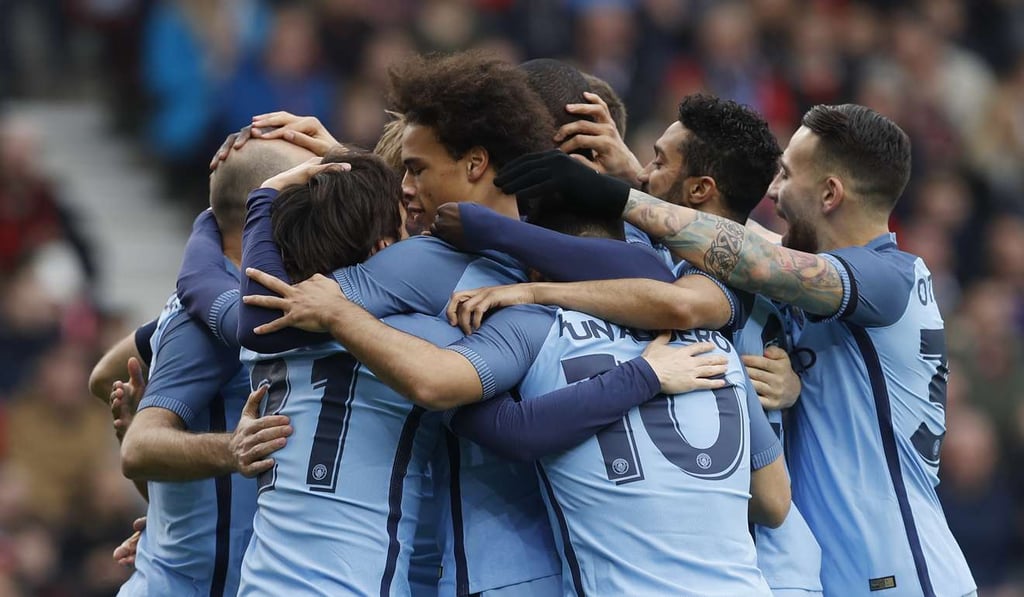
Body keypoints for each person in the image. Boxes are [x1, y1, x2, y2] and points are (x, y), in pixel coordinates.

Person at [493, 103, 976, 597]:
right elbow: (733, 229)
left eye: (786, 175)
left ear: (830, 194)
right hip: (839, 571)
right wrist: (643, 178)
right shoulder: (831, 270)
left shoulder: (885, 278)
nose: (772, 191)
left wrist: (616, 198)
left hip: (899, 573)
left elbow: (752, 257)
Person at [242, 197, 789, 595]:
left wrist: (340, 314)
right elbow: (773, 502)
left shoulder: (530, 327)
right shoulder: (714, 345)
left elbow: (477, 410)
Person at [431, 94, 821, 596]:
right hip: (734, 556)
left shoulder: (719, 277)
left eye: (657, 162)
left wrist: (529, 280)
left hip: (747, 547)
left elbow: (670, 301)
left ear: (701, 188)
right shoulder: (690, 259)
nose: (639, 173)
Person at [115, 138, 314, 597]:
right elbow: (139, 446)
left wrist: (168, 508)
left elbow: (106, 372)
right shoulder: (202, 320)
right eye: (309, 189)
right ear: (273, 209)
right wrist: (232, 450)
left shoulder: (225, 301)